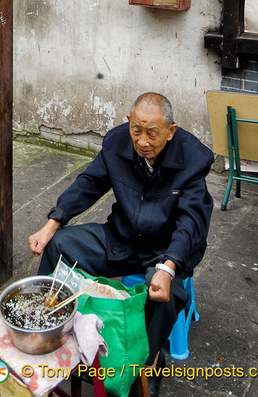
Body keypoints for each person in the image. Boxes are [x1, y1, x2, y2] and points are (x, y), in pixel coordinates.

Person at [28, 92, 214, 396]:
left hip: (164, 252)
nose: (142, 141)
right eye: (136, 130)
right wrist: (52, 224)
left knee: (167, 296)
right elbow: (89, 184)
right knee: (60, 245)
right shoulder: (117, 143)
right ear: (128, 122)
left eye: (152, 133)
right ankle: (47, 325)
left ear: (171, 131)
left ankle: (149, 362)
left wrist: (168, 266)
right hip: (120, 238)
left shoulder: (192, 160)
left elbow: (191, 221)